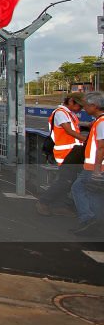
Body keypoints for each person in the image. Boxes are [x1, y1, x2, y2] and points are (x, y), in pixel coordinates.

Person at [36, 93, 86, 217]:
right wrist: (88, 140)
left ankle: (60, 206)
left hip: (72, 152)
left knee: (69, 180)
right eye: (79, 106)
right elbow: (69, 131)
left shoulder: (69, 113)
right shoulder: (61, 113)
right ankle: (44, 202)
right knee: (65, 181)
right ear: (71, 102)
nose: (81, 109)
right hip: (65, 153)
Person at [70, 91, 104, 236]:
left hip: (95, 167)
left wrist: (96, 169)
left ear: (94, 106)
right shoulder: (99, 121)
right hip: (94, 166)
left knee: (79, 189)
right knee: (94, 194)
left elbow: (102, 147)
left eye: (86, 106)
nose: (84, 108)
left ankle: (89, 220)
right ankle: (94, 223)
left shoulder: (101, 123)